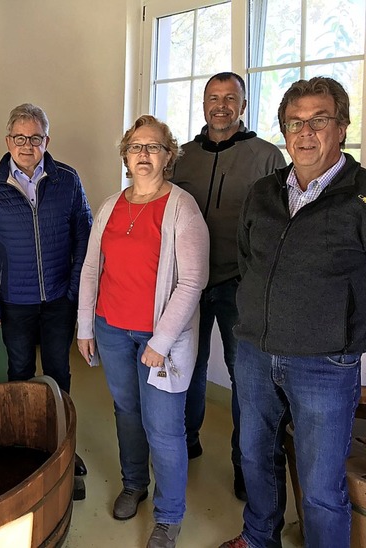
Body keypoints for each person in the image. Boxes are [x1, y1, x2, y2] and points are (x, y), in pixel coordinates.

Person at [220, 77, 366, 548]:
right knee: (255, 457)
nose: (306, 132)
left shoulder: (360, 196)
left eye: (318, 120)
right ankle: (260, 537)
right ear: (284, 131)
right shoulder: (264, 192)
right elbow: (249, 260)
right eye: (295, 122)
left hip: (325, 362)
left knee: (322, 487)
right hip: (256, 353)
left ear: (341, 127)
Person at [77, 115, 209, 548]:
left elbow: (192, 281)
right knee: (127, 412)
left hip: (160, 341)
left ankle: (169, 517)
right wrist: (85, 325)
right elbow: (92, 269)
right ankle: (134, 484)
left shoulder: (182, 208)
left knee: (165, 428)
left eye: (154, 147)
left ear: (168, 156)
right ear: (126, 155)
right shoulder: (110, 205)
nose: (144, 155)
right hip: (112, 329)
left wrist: (161, 341)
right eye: (136, 147)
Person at [172, 72, 286, 501]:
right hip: (189, 284)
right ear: (203, 104)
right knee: (188, 366)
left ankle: (246, 467)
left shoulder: (267, 157)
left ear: (243, 104)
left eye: (230, 98)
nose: (220, 106)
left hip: (241, 285)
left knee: (247, 380)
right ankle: (185, 442)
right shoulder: (182, 157)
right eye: (213, 98)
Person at [0, 103, 93, 481]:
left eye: (34, 138)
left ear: (46, 141)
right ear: (8, 141)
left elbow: (85, 238)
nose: (26, 145)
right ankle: (23, 447)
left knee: (58, 373)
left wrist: (72, 291)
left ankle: (63, 446)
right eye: (19, 138)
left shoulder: (67, 180)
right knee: (19, 372)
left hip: (58, 301)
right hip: (14, 302)